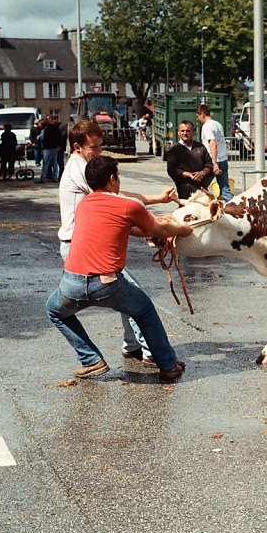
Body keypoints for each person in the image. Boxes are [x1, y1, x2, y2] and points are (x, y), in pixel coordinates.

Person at [47, 155, 192, 382]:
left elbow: (124, 228)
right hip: (106, 284)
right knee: (143, 309)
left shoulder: (84, 204)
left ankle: (91, 360)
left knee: (54, 311)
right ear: (113, 178)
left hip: (71, 282)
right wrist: (183, 230)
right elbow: (159, 229)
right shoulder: (128, 205)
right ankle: (167, 364)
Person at [58, 120, 177, 367]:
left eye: (100, 146)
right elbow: (118, 198)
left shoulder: (86, 165)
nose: (99, 152)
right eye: (94, 147)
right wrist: (159, 221)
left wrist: (158, 200)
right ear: (77, 147)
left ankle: (131, 344)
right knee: (134, 297)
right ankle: (151, 352)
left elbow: (118, 195)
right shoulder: (80, 169)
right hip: (80, 245)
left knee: (127, 294)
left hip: (83, 243)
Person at [165, 119, 213, 199]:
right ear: (178, 132)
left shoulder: (200, 147)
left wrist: (202, 173)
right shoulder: (174, 150)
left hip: (201, 187)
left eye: (188, 131)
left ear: (193, 132)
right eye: (182, 131)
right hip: (184, 188)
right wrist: (188, 174)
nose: (185, 133)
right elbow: (172, 169)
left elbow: (209, 164)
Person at [197, 103, 231, 201]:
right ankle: (234, 211)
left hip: (212, 161)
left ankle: (202, 207)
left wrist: (214, 163)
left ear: (202, 114)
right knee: (225, 190)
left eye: (198, 116)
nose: (198, 119)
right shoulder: (218, 124)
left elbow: (213, 144)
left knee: (200, 187)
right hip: (223, 159)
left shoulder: (207, 126)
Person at [39, 114, 64, 182]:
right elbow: (60, 138)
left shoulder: (47, 128)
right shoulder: (56, 128)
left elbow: (43, 138)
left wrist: (43, 144)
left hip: (48, 148)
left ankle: (43, 177)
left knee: (46, 163)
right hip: (56, 147)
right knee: (54, 163)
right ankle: (55, 177)